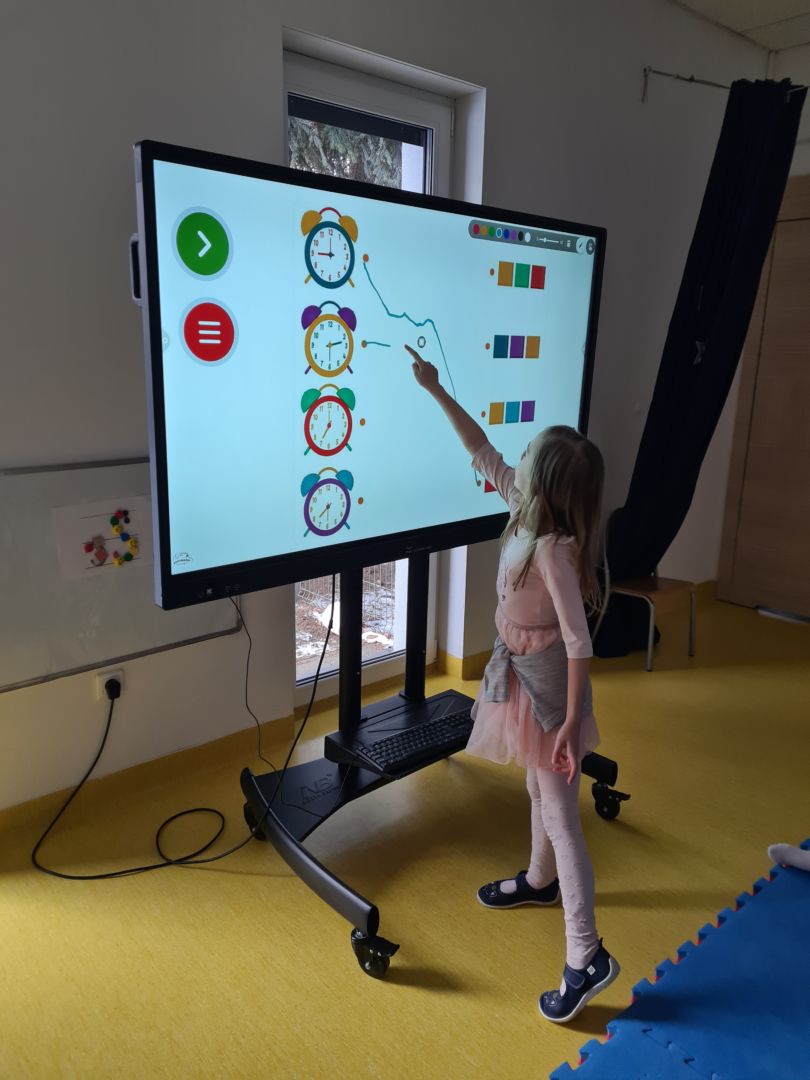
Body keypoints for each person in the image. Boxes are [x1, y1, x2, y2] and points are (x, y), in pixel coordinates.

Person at [406, 344, 619, 1023]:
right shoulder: (526, 508)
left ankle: (586, 955)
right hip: (523, 675)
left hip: (550, 689)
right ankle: (538, 880)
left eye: (527, 453)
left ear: (545, 484)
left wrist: (568, 723)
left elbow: (579, 641)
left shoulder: (553, 549)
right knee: (535, 787)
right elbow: (479, 447)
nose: (515, 456)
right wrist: (435, 388)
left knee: (560, 810)